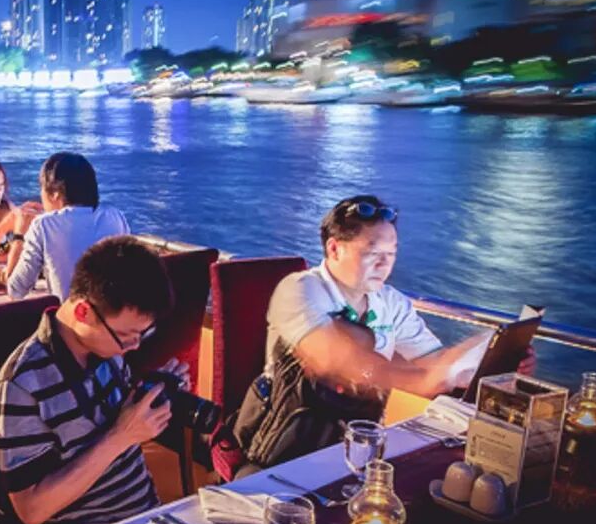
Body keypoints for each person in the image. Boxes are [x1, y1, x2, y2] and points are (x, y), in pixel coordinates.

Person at [226, 195, 537, 477]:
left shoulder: (391, 303)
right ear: (334, 248)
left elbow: (436, 363)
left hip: (357, 449)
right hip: (284, 451)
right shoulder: (299, 290)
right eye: (372, 252)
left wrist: (491, 364)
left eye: (391, 253)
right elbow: (337, 360)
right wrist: (420, 380)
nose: (385, 264)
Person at [0, 236, 189, 524]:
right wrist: (120, 436)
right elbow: (31, 510)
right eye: (126, 335)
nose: (134, 346)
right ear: (83, 312)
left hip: (148, 520)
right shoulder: (21, 386)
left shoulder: (109, 352)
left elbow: (118, 427)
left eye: (142, 334)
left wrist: (152, 399)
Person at [5, 152, 130, 300]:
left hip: (72, 313)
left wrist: (19, 236)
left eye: (41, 188)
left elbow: (15, 291)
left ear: (55, 194)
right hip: (113, 312)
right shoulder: (116, 217)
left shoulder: (44, 225)